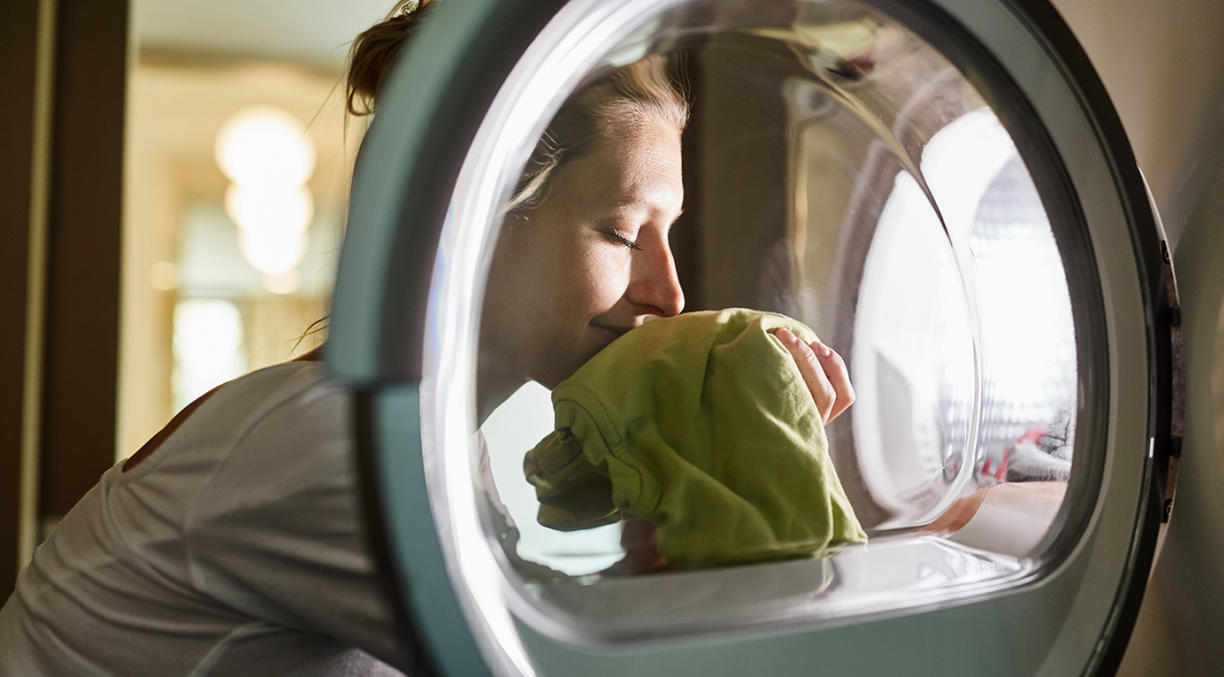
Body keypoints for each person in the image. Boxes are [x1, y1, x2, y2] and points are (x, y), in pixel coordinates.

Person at [0, 1, 855, 674]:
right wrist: (742, 438)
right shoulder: (338, 445)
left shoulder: (422, 438)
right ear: (478, 219)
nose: (669, 293)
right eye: (626, 232)